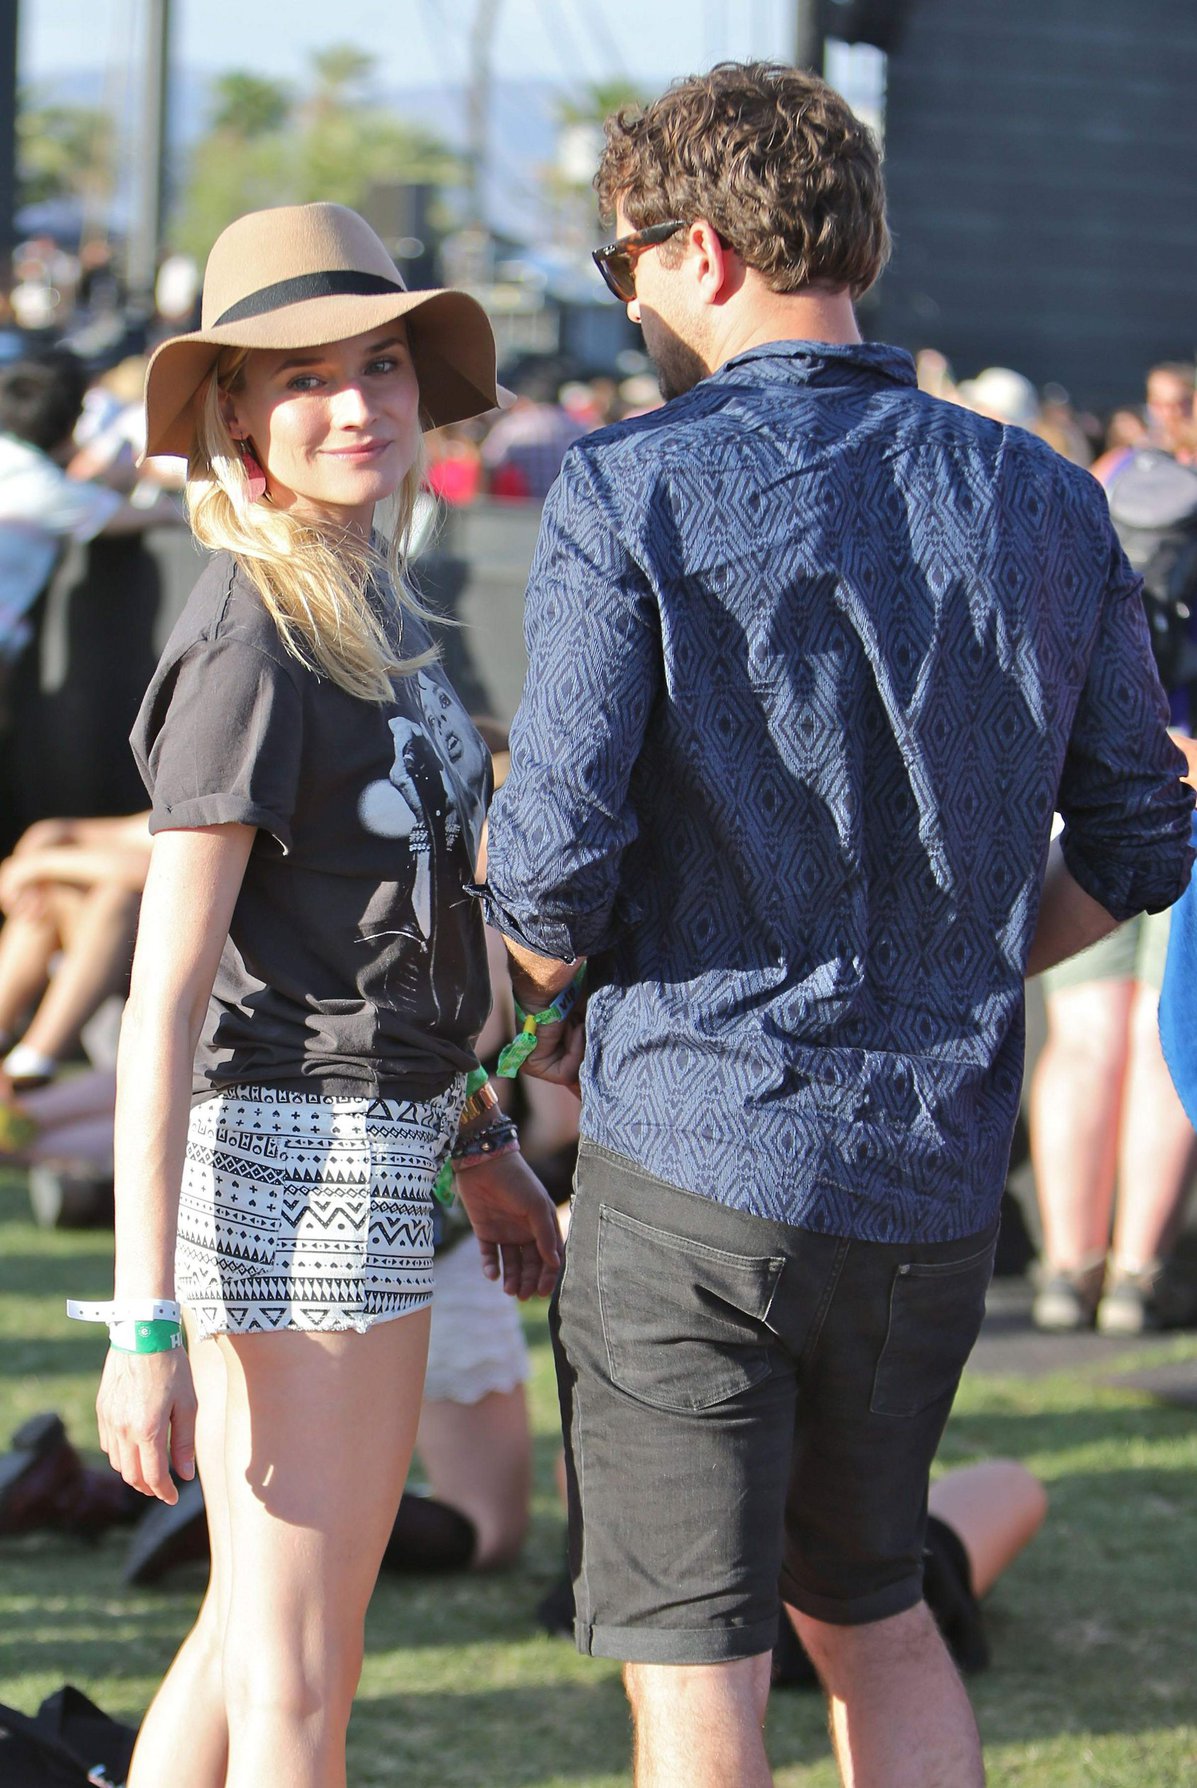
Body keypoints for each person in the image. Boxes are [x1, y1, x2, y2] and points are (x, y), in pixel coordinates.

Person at [478, 61, 1195, 1788]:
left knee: (694, 1665)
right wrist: (960, 959)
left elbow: (553, 866)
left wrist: (512, 1022)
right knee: (873, 1612)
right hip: (926, 1176)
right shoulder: (1048, 490)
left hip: (694, 1154)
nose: (627, 297)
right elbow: (1140, 835)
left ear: (703, 250)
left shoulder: (626, 486)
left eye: (625, 260)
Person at [78, 202, 560, 1788]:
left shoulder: (378, 608)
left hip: (376, 1147)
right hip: (294, 1169)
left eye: (381, 366)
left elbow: (415, 922)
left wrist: (479, 1130)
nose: (357, 404)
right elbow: (164, 1007)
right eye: (304, 378)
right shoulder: (251, 637)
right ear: (235, 413)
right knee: (303, 1680)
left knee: (259, 1638)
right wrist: (143, 1321)